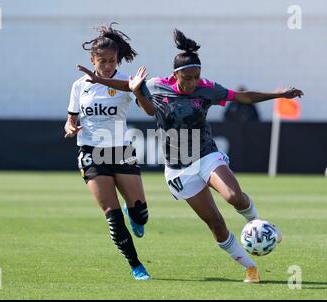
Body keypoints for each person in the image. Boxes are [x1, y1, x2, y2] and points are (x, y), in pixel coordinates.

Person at [77, 29, 303, 283]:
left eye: (196, 77)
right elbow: (128, 87)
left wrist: (279, 95)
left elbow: (243, 97)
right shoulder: (157, 86)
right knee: (215, 223)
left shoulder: (206, 89)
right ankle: (250, 268)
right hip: (178, 169)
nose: (192, 83)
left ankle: (259, 224)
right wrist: (99, 81)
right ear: (175, 75)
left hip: (205, 154)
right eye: (187, 78)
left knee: (233, 196)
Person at [64, 23, 153, 280]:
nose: (106, 65)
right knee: (112, 216)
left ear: (118, 59)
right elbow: (70, 119)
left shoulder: (127, 82)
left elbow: (149, 111)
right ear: (92, 60)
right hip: (91, 152)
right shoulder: (79, 86)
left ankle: (133, 212)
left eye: (111, 60)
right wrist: (71, 127)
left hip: (120, 152)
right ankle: (136, 266)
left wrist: (138, 89)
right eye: (101, 60)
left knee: (141, 217)